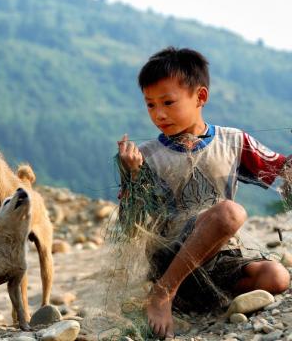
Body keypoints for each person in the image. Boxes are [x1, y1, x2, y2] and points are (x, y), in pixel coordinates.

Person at [117, 47, 291, 338]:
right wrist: (133, 175)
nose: (158, 113)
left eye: (168, 102)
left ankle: (198, 298)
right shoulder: (145, 155)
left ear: (200, 97)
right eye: (150, 105)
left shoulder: (233, 141)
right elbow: (129, 225)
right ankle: (163, 292)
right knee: (230, 212)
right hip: (170, 257)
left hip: (221, 259)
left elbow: (280, 169)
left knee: (277, 277)